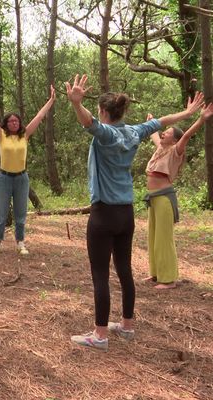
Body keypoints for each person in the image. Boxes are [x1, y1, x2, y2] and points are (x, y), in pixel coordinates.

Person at [65, 74, 204, 351]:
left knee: (100, 274)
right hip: (126, 214)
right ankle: (126, 326)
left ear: (105, 111)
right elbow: (162, 122)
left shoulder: (106, 133)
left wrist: (77, 104)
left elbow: (88, 122)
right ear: (122, 112)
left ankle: (100, 335)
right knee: (125, 270)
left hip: (103, 214)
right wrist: (188, 113)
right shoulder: (134, 132)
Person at [0, 84, 56, 255]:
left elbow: (39, 116)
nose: (14, 123)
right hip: (4, 178)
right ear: (6, 123)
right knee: (1, 214)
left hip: (21, 179)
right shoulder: (1, 135)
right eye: (11, 121)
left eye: (16, 120)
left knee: (21, 214)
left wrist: (51, 100)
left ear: (20, 123)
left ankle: (20, 243)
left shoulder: (24, 135)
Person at [144, 103, 213, 289]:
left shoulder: (176, 151)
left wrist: (201, 118)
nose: (164, 133)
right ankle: (157, 273)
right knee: (153, 236)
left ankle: (169, 279)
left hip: (165, 198)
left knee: (164, 238)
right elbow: (154, 135)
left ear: (174, 140)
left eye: (167, 132)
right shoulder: (160, 148)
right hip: (153, 198)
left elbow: (188, 134)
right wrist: (151, 122)